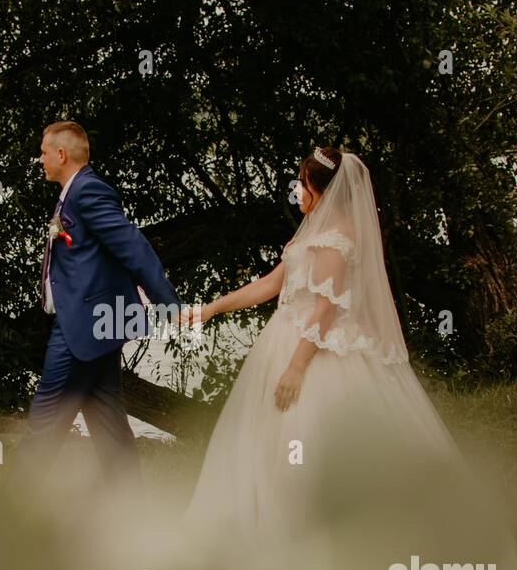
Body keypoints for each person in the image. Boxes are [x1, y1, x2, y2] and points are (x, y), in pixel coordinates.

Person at [183, 146, 466, 537]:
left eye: (302, 184)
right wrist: (212, 308)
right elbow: (271, 283)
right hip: (284, 340)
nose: (297, 192)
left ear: (321, 189)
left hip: (315, 353)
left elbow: (327, 308)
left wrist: (297, 366)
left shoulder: (337, 239)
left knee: (307, 441)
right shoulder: (312, 232)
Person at [19, 120, 181, 483]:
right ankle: (130, 512)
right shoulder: (73, 193)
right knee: (110, 430)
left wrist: (167, 303)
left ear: (61, 154)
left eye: (44, 152)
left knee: (43, 429)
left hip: (79, 330)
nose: (40, 159)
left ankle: (13, 514)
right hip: (96, 328)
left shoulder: (87, 191)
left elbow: (132, 246)